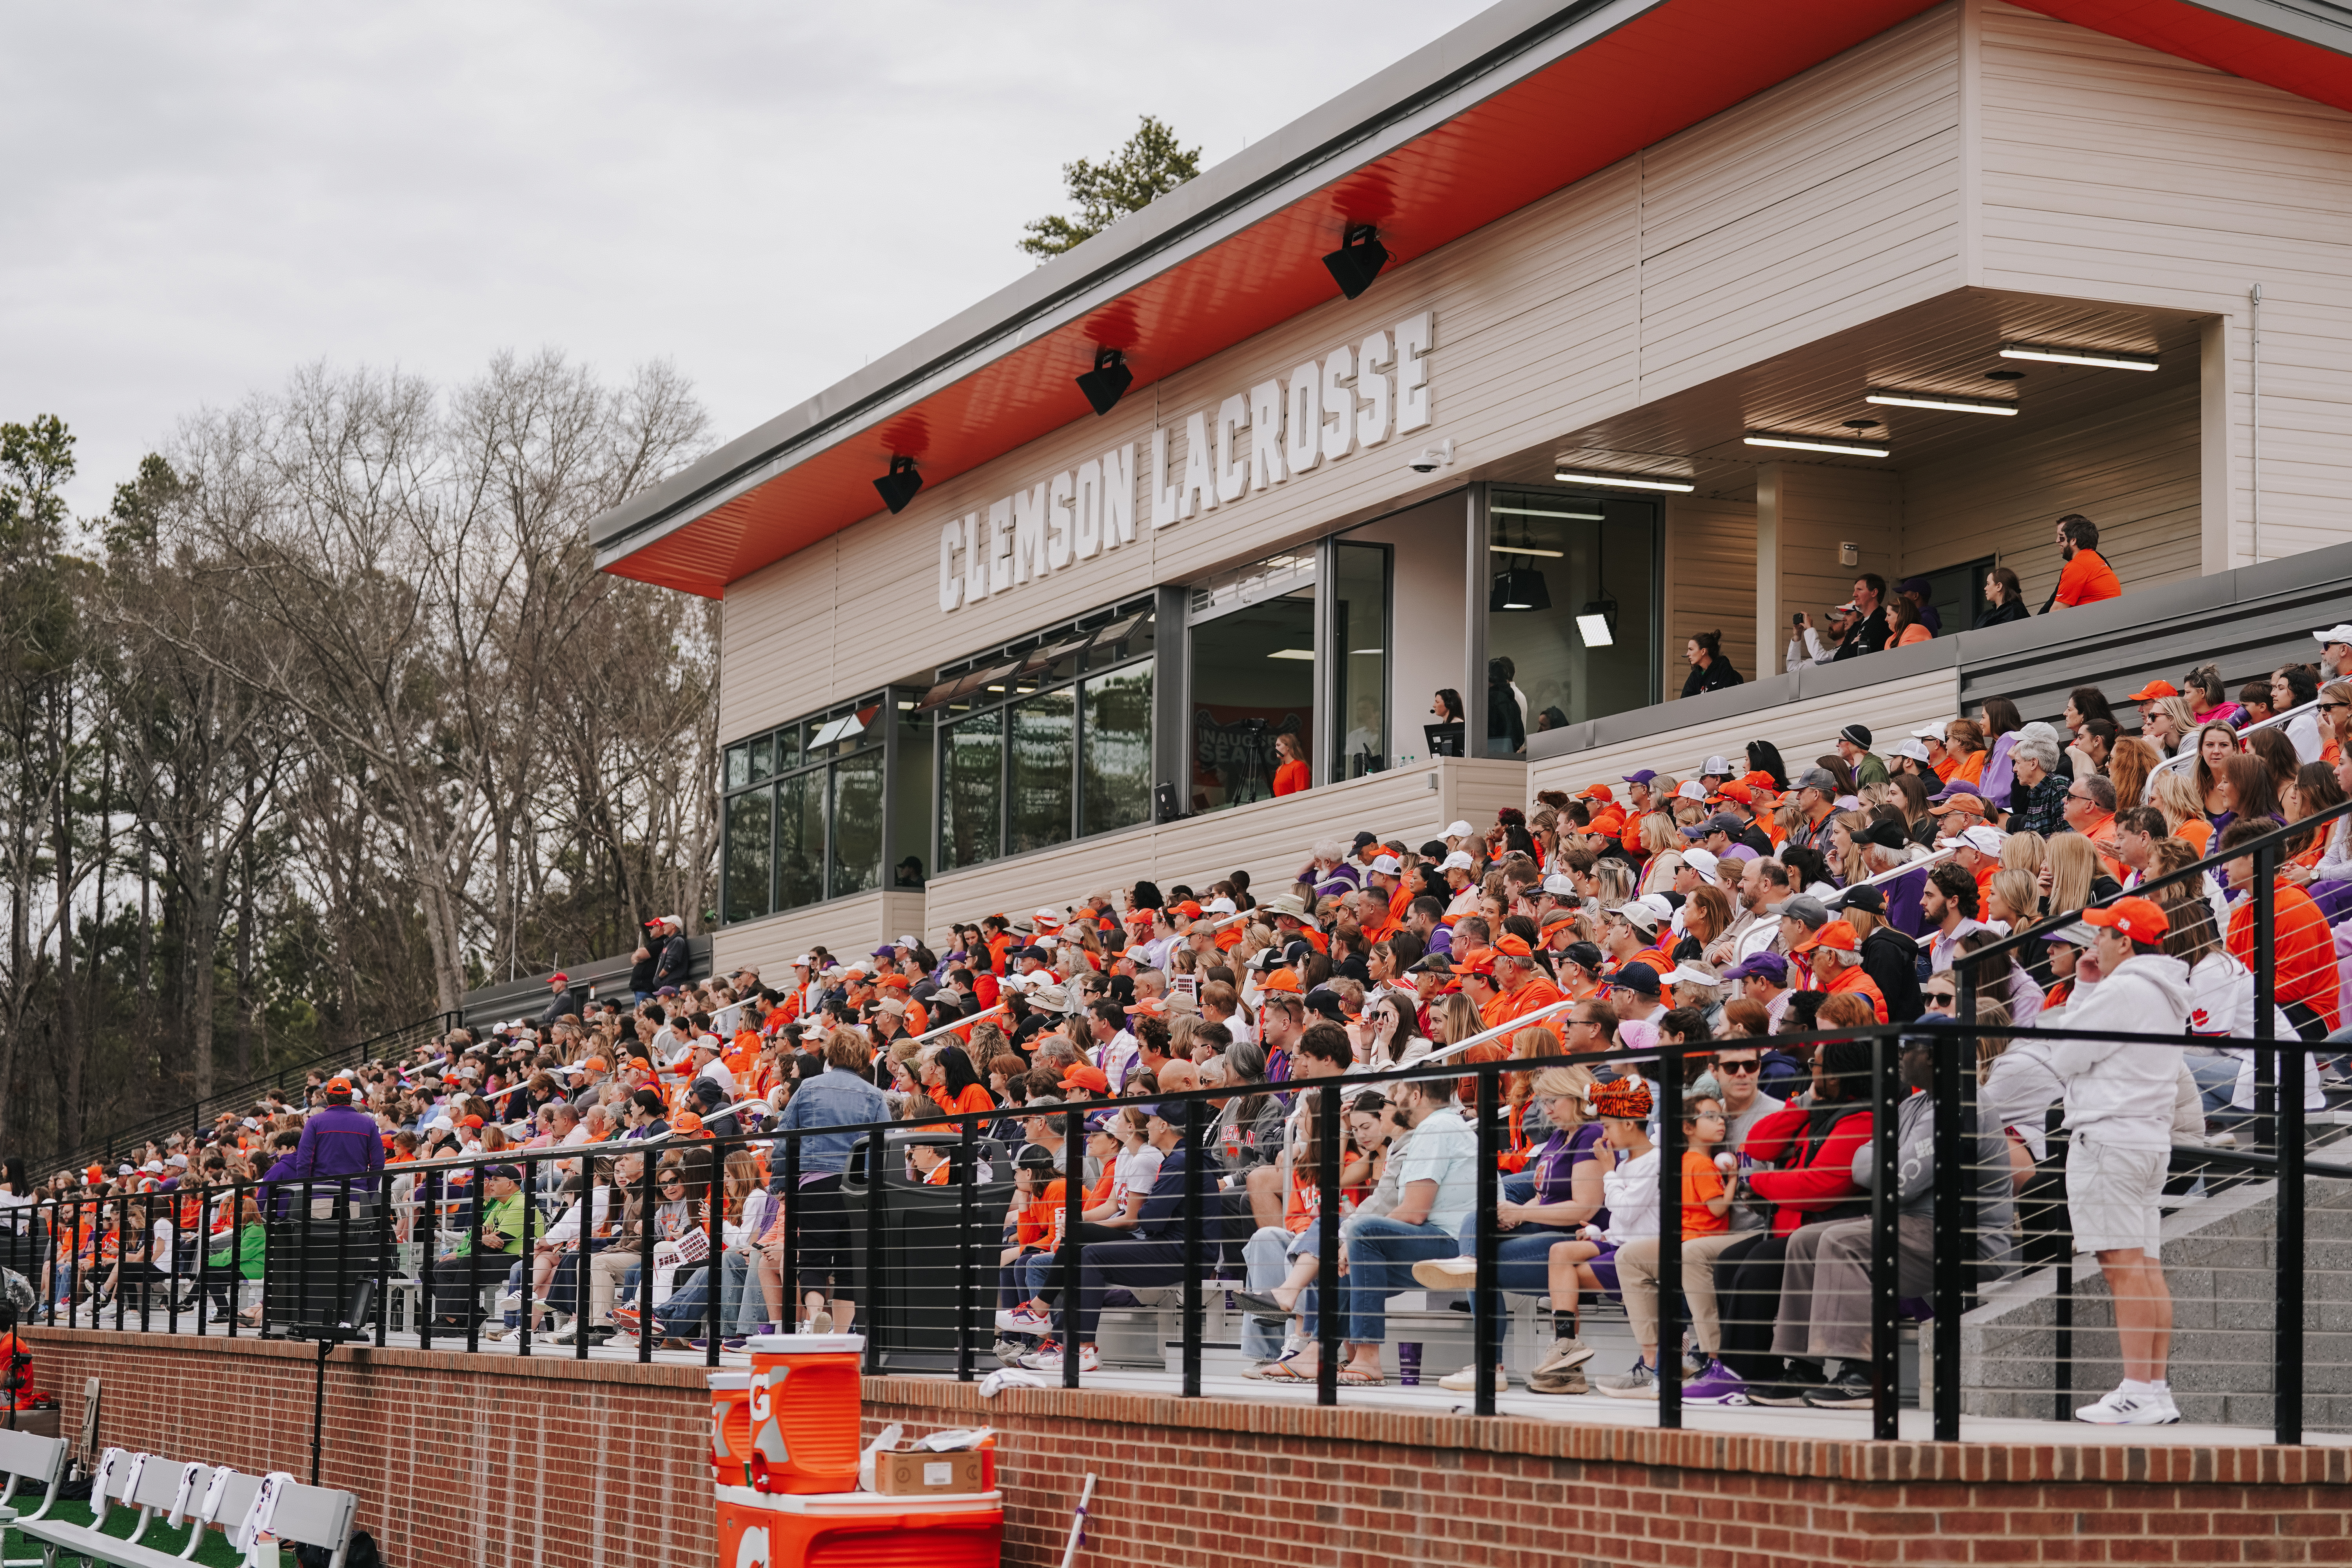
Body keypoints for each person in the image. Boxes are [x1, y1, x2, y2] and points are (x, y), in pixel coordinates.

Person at [2050, 897, 2189, 1423]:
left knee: (2124, 1267)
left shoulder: (2126, 988)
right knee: (2145, 1266)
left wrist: (2086, 990)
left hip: (2110, 1137)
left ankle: (2137, 1388)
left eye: (2103, 935)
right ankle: (2152, 1390)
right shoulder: (2162, 989)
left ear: (2125, 941)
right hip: (2145, 1139)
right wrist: (2090, 985)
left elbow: (2063, 1055)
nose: (2094, 944)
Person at [771, 1028, 891, 1332]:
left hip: (815, 1184)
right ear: (863, 1058)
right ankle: (840, 1334)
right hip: (857, 1187)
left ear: (830, 1053)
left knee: (812, 1255)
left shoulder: (808, 1088)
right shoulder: (875, 1095)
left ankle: (814, 1314)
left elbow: (785, 1138)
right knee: (850, 1263)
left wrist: (781, 1183)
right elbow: (886, 1146)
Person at [2045, 514, 2121, 611]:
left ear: (2073, 540)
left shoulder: (2077, 566)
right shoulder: (2096, 560)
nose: (2057, 541)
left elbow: (2056, 613)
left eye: (2062, 537)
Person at [1830, 575, 1891, 662]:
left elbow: (1856, 654)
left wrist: (1851, 646)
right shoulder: (1857, 625)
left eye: (1860, 590)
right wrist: (1853, 644)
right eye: (1855, 590)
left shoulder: (1881, 621)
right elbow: (1837, 658)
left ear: (1874, 593)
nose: (1854, 594)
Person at [1681, 631, 1741, 697]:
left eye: (1691, 649)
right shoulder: (1694, 676)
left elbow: (1725, 699)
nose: (1688, 654)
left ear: (1703, 651)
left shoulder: (1723, 668)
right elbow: (1685, 703)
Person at [1975, 565, 2032, 629]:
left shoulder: (2015, 611)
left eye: (1988, 584)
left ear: (1999, 587)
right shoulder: (1985, 615)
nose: (1985, 588)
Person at [1271, 731, 1310, 796]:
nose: (1276, 748)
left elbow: (1301, 794)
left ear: (1288, 746)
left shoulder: (1299, 766)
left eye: (1279, 745)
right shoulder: (1280, 769)